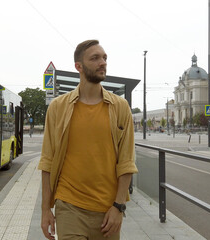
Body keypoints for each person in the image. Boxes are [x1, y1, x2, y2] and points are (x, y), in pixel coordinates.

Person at [38, 39, 138, 240]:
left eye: (104, 58)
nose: (102, 62)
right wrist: (45, 209)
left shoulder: (120, 107)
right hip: (69, 206)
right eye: (95, 58)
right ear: (79, 66)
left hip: (107, 211)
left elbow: (127, 162)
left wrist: (119, 207)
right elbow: (47, 160)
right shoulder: (58, 107)